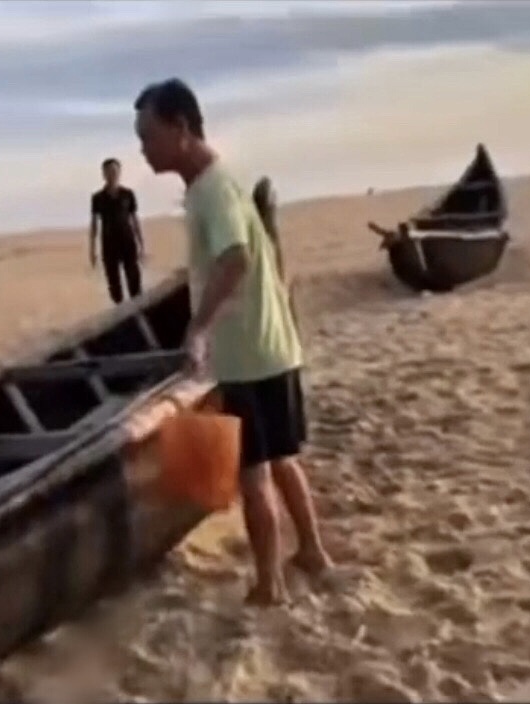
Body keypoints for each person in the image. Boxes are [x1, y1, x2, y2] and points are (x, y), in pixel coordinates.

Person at [134, 78, 332, 604]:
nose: (143, 150)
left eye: (148, 136)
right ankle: (312, 550)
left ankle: (269, 585)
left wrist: (198, 327)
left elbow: (236, 259)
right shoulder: (219, 184)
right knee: (284, 457)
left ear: (180, 129)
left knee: (253, 474)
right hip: (274, 347)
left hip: (246, 356)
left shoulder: (210, 191)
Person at [89, 158, 145, 304]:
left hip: (128, 242)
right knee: (114, 285)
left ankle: (138, 311)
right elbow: (94, 224)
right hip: (108, 245)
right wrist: (92, 249)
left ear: (119, 172)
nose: (111, 174)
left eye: (114, 171)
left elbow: (134, 219)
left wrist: (142, 244)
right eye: (108, 171)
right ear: (103, 174)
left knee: (134, 281)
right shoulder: (97, 198)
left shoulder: (128, 194)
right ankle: (121, 315)